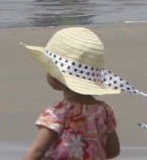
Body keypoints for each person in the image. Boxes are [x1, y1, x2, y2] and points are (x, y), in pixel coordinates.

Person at [21, 27, 126, 160]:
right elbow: (113, 151)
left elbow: (37, 151)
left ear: (57, 78)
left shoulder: (58, 112)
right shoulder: (104, 111)